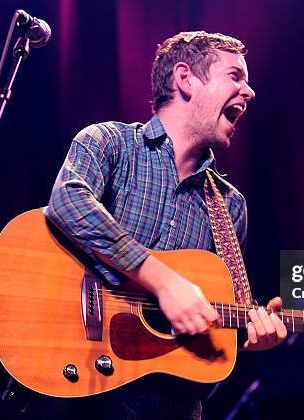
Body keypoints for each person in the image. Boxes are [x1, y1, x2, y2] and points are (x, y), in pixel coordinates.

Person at [43, 31, 287, 419]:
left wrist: (246, 336)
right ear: (186, 79)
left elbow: (205, 343)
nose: (250, 91)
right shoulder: (110, 143)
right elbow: (68, 201)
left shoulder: (230, 206)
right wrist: (163, 280)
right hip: (76, 388)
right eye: (235, 76)